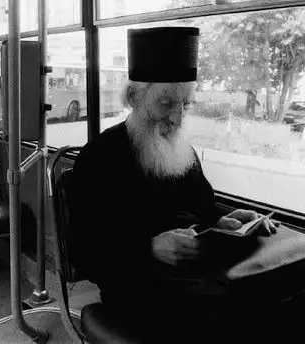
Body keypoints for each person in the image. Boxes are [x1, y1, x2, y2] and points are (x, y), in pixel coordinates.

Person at [68, 27, 280, 340]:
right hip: (135, 284)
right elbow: (84, 254)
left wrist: (226, 220)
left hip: (196, 272)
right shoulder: (98, 157)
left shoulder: (184, 151)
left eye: (186, 105)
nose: (178, 119)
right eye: (166, 103)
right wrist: (149, 248)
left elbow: (203, 209)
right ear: (134, 98)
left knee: (269, 288)